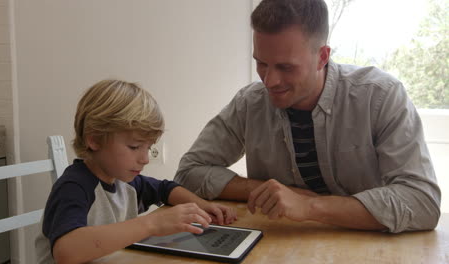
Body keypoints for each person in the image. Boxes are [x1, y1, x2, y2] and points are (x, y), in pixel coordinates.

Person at [174, 0, 441, 233]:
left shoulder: (380, 96)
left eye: (285, 67)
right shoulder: (249, 103)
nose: (269, 80)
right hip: (280, 246)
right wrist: (263, 189)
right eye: (261, 63)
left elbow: (422, 202)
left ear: (322, 56)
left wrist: (310, 206)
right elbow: (189, 173)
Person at [35, 79, 237, 264]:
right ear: (94, 139)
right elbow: (66, 251)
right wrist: (151, 224)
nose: (145, 159)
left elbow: (165, 189)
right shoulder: (74, 186)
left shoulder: (124, 181)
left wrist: (202, 206)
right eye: (134, 147)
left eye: (148, 148)